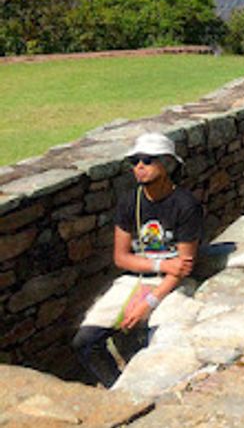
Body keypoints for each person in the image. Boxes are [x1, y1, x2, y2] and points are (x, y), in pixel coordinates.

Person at [72, 132, 202, 388]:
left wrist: (148, 303)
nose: (139, 167)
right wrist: (161, 264)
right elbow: (121, 258)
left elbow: (183, 268)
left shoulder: (186, 205)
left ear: (167, 164)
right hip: (137, 278)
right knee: (85, 340)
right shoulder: (130, 202)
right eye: (135, 161)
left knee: (163, 341)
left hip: (170, 285)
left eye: (147, 160)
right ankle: (120, 389)